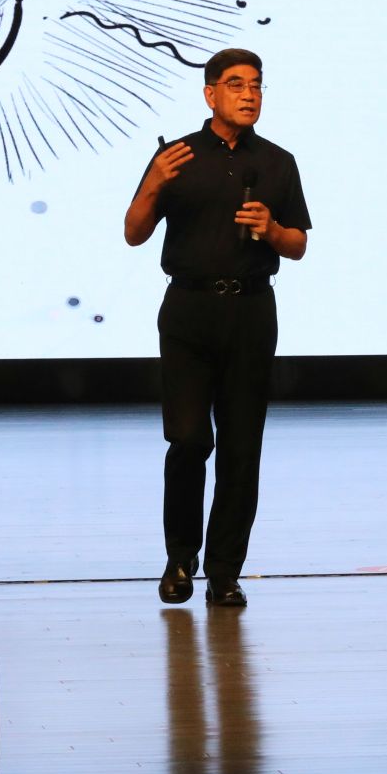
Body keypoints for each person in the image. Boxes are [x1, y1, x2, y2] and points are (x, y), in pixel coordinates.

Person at [124, 48, 310, 608]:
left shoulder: (278, 162)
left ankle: (225, 572)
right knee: (188, 439)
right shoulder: (175, 157)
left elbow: (298, 244)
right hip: (188, 309)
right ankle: (180, 559)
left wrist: (272, 230)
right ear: (210, 94)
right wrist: (154, 183)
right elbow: (133, 232)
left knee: (241, 446)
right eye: (236, 85)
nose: (249, 95)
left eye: (257, 85)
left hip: (251, 311)